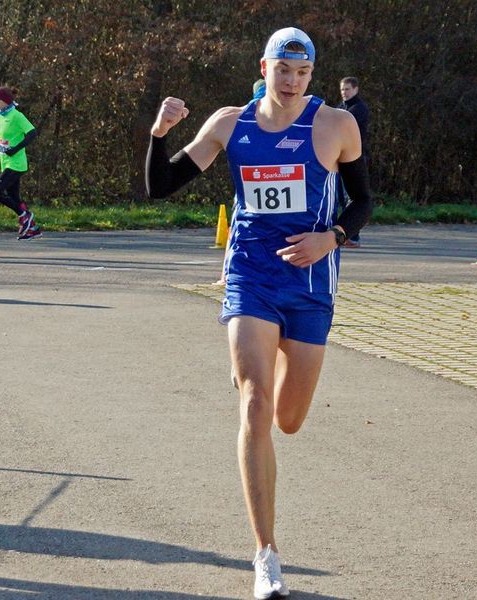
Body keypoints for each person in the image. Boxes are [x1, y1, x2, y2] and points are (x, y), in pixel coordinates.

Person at [146, 26, 372, 599]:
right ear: (264, 67)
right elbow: (162, 185)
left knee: (288, 421)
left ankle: (262, 369)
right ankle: (266, 556)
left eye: (303, 72)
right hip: (250, 275)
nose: (293, 81)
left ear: (311, 76)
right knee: (254, 403)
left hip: (311, 285)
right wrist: (159, 132)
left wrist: (333, 237)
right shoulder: (229, 123)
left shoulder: (336, 125)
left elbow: (364, 199)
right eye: (283, 69)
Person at [0, 87, 41, 240]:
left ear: (6, 101)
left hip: (16, 163)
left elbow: (32, 133)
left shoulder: (16, 116)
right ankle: (32, 228)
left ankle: (25, 215)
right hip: (6, 163)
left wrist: (15, 149)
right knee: (13, 197)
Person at [337, 76, 370, 248]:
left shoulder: (359, 109)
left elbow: (342, 127)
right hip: (338, 158)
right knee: (340, 198)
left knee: (353, 198)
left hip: (354, 158)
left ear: (356, 89)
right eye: (342, 89)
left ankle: (353, 236)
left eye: (347, 89)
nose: (344, 93)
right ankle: (345, 232)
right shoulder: (342, 108)